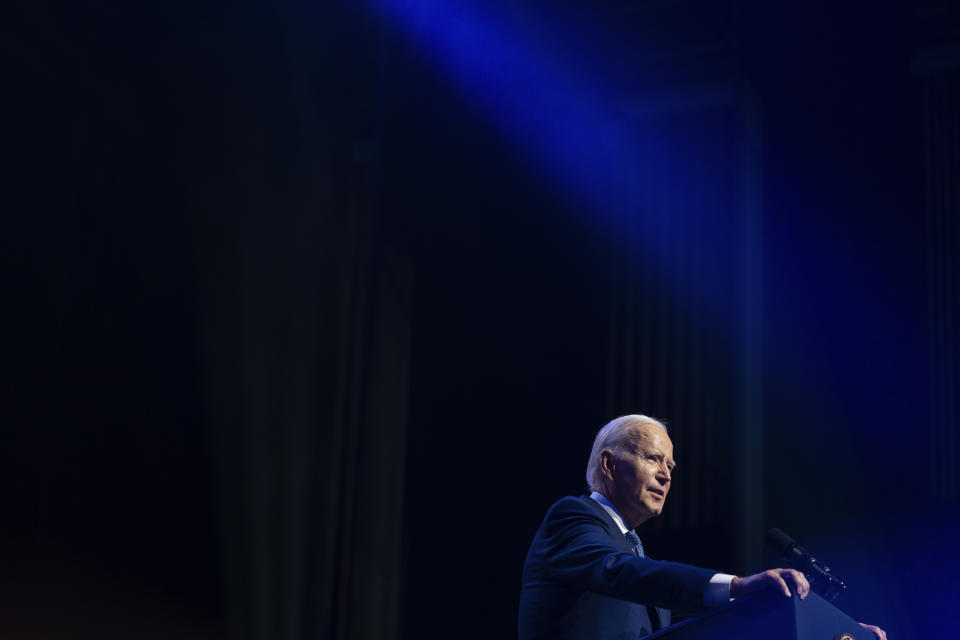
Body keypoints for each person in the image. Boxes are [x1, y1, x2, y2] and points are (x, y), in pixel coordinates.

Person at [517, 414, 887, 640]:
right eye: (653, 459)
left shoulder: (634, 551)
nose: (665, 475)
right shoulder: (571, 519)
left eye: (671, 467)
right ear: (610, 465)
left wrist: (838, 633)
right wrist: (738, 585)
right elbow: (620, 572)